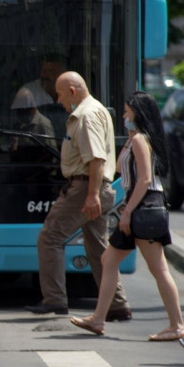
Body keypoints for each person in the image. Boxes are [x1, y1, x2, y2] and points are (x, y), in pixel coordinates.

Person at [71, 91, 184, 340]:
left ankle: (177, 325)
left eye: (127, 112)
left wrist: (128, 212)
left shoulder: (141, 140)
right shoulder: (137, 139)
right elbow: (126, 170)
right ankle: (98, 319)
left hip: (145, 208)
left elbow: (144, 179)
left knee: (158, 269)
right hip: (141, 206)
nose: (124, 117)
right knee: (109, 260)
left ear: (138, 113)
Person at [26, 71, 131, 320]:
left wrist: (92, 195)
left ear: (73, 91)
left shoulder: (85, 115)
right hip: (96, 186)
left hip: (85, 187)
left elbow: (96, 159)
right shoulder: (97, 110)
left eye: (60, 94)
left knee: (49, 237)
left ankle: (54, 299)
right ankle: (116, 304)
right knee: (98, 248)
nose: (58, 100)